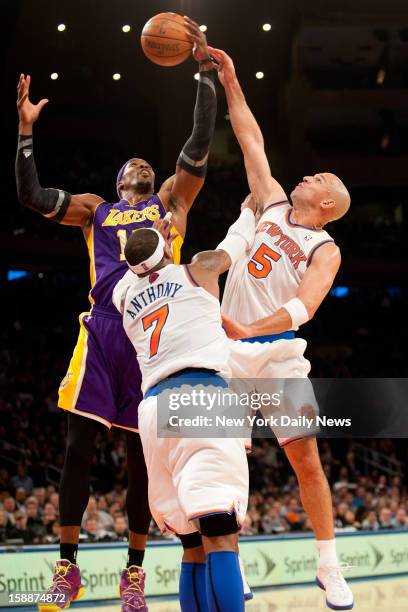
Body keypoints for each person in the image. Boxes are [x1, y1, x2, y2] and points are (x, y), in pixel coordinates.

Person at [15, 17, 217, 612]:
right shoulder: (95, 211)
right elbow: (30, 196)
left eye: (146, 166)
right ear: (115, 180)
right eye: (131, 166)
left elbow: (199, 145)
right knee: (78, 448)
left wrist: (204, 72)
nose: (139, 166)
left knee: (139, 461)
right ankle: (67, 568)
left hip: (153, 338)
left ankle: (133, 576)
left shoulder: (172, 204)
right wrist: (25, 133)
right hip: (104, 331)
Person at [208, 46, 354, 611]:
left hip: (278, 357)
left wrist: (250, 329)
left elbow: (305, 308)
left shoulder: (325, 246)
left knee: (307, 462)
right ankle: (234, 567)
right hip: (229, 351)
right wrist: (232, 79)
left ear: (324, 201)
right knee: (228, 463)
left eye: (317, 176)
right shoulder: (268, 203)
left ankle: (329, 568)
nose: (306, 173)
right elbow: (251, 139)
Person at [113, 203, 257, 611]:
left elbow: (137, 263)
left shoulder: (124, 295)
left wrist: (155, 245)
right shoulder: (199, 269)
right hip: (201, 395)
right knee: (221, 537)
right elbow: (237, 244)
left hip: (154, 411)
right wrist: (248, 212)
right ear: (168, 249)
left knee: (191, 543)